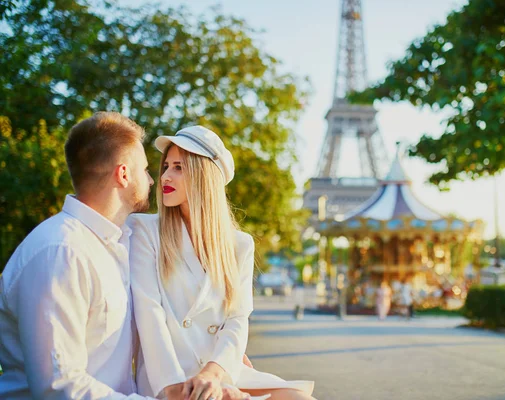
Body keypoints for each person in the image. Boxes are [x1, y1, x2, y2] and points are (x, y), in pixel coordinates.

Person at [128, 126, 315, 400]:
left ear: (204, 177)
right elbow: (149, 316)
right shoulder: (145, 230)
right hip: (168, 376)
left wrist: (215, 371)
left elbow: (237, 319)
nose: (166, 176)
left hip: (220, 371)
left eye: (179, 167)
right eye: (166, 166)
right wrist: (171, 388)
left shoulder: (240, 244)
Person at [0, 112, 156, 398]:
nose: (151, 180)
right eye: (145, 169)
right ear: (123, 174)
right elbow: (57, 386)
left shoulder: (114, 244)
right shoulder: (60, 252)